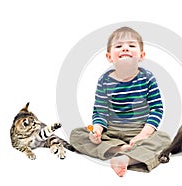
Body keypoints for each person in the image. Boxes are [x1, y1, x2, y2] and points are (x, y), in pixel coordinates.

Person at [70, 26, 171, 177]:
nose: (125, 48)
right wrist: (97, 130)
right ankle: (119, 149)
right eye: (118, 46)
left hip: (139, 131)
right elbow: (100, 111)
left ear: (141, 55)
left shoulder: (147, 78)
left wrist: (144, 134)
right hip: (111, 132)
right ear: (110, 57)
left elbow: (157, 109)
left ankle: (126, 159)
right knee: (77, 134)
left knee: (165, 140)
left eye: (131, 46)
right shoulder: (104, 81)